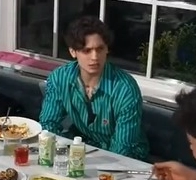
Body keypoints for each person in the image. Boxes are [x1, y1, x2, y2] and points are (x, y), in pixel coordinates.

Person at [39, 16, 149, 160]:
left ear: (107, 49)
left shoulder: (125, 88)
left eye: (100, 49)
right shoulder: (60, 78)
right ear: (73, 52)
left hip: (128, 156)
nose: (95, 57)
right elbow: (48, 124)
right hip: (85, 146)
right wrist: (59, 156)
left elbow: (122, 148)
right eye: (87, 51)